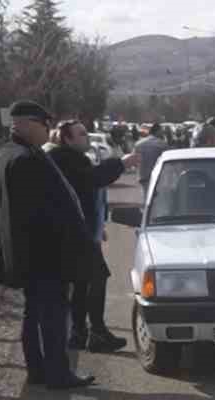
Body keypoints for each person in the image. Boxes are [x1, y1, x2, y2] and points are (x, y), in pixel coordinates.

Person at [0, 100, 96, 389]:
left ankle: (39, 370)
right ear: (25, 124)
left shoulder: (14, 154)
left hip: (35, 255)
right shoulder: (24, 159)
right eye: (43, 124)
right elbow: (39, 215)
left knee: (36, 313)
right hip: (44, 256)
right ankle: (56, 373)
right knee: (51, 316)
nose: (47, 130)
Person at [50, 119, 136, 352]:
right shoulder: (66, 160)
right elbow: (93, 180)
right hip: (75, 234)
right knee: (96, 276)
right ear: (67, 139)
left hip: (82, 230)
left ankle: (80, 333)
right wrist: (121, 163)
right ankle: (96, 332)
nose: (87, 137)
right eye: (82, 134)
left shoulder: (69, 159)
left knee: (82, 282)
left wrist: (99, 225)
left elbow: (89, 194)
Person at [135, 124, 166, 192]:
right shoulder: (162, 144)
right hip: (158, 175)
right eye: (161, 131)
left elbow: (135, 159)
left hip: (143, 175)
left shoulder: (139, 144)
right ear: (157, 131)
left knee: (146, 196)